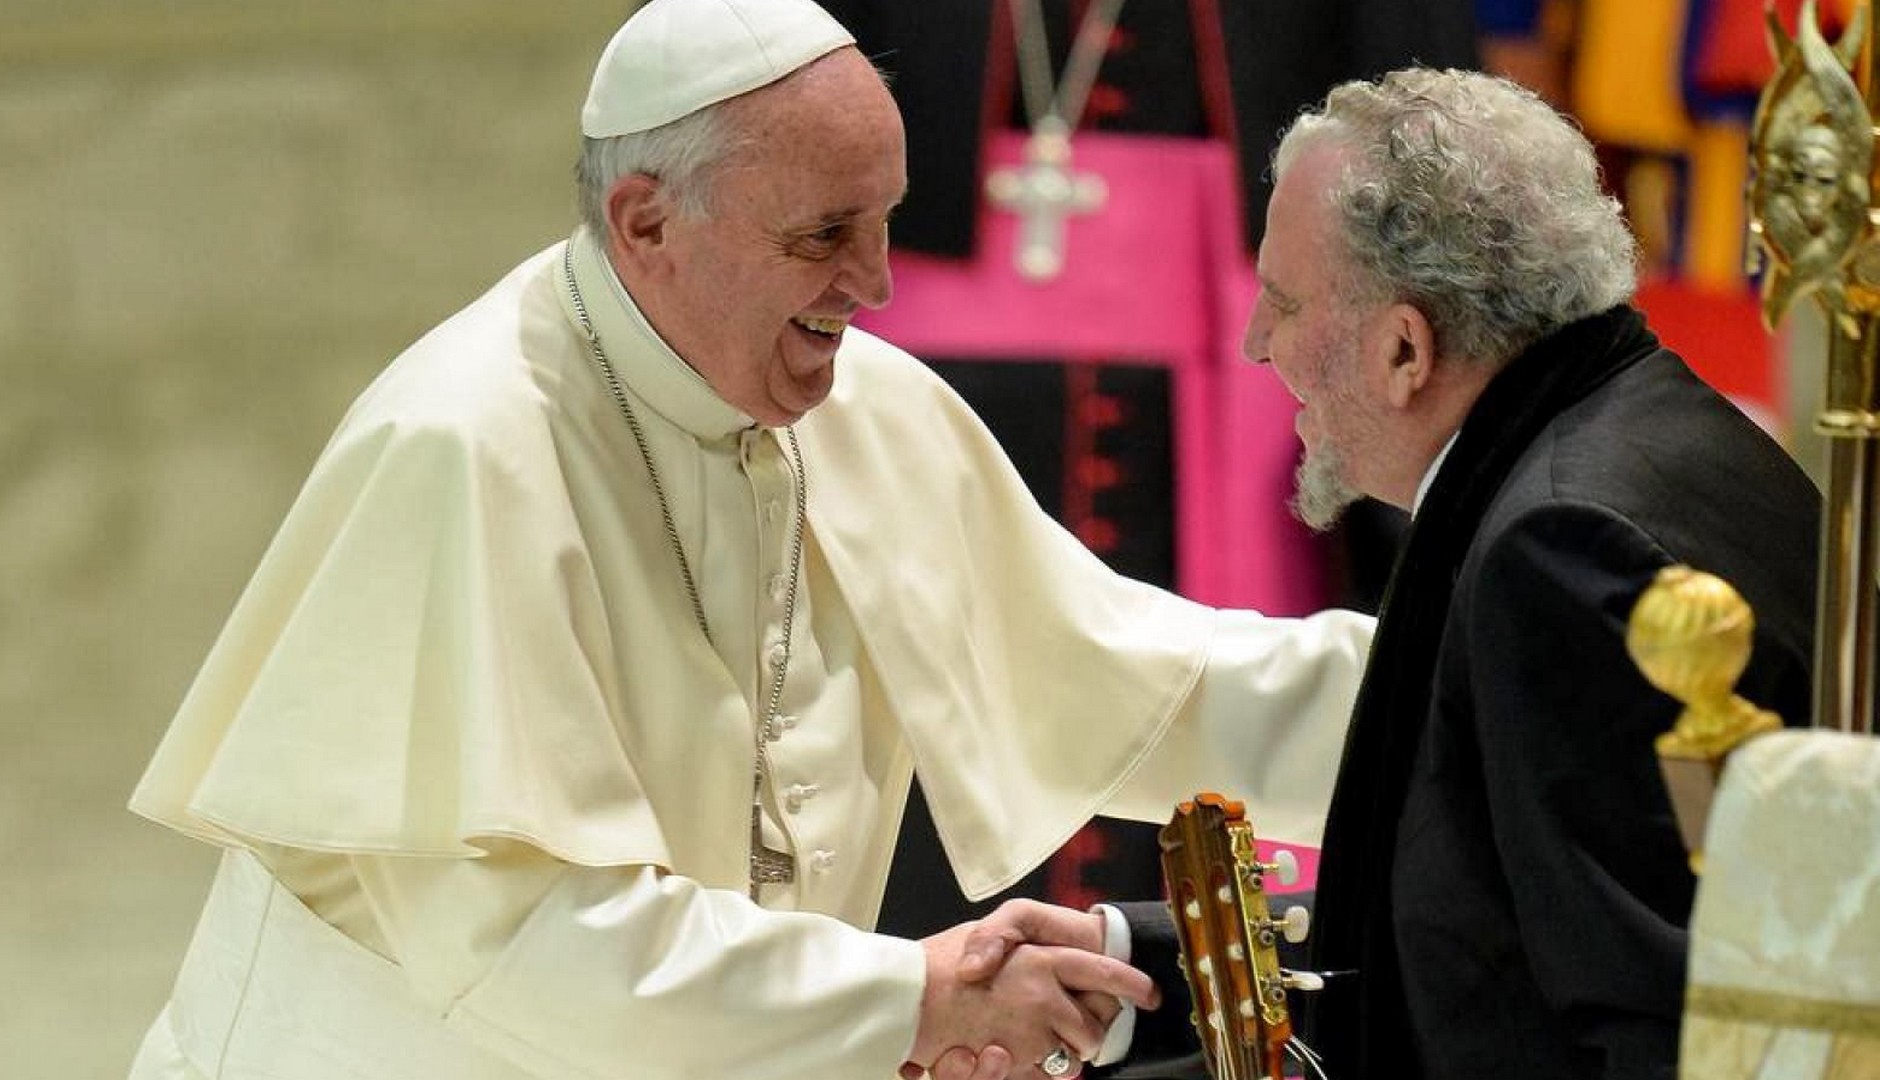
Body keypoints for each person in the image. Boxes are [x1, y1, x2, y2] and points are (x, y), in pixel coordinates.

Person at [123, 2, 1377, 1079]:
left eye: (886, 220)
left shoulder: (867, 410)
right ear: (646, 224)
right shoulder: (463, 448)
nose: (878, 284)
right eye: (823, 236)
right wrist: (913, 996)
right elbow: (527, 938)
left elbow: (1146, 688)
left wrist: (1463, 677)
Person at [956, 68, 1821, 1080]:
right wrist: (1140, 963)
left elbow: (1658, 1028)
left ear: (1405, 348)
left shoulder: (1566, 553)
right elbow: (1491, 920)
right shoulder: (1625, 439)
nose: (1254, 341)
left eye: (1282, 302)